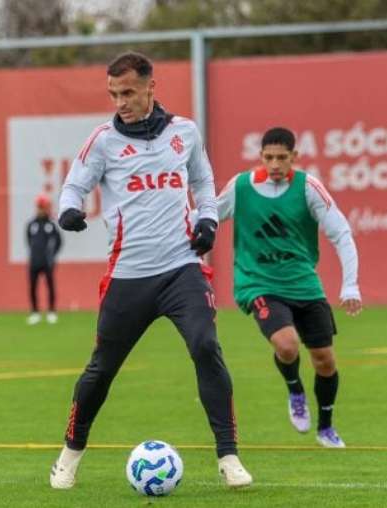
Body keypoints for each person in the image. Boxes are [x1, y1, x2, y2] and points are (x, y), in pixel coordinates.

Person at [50, 52, 252, 490]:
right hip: (129, 276)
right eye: (113, 94)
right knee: (102, 369)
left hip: (182, 268)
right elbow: (73, 186)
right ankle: (69, 453)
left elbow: (203, 182)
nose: (120, 102)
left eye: (128, 92)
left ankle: (229, 456)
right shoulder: (103, 141)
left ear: (150, 87)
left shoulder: (185, 132)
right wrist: (69, 211)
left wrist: (208, 220)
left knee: (205, 346)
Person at [216, 126, 362, 448]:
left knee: (324, 360)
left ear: (294, 156)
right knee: (286, 345)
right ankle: (295, 391)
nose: (275, 164)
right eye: (269, 157)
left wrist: (350, 285)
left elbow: (341, 233)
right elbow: (209, 216)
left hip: (303, 284)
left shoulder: (309, 188)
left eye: (282, 157)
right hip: (258, 283)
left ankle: (325, 428)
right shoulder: (241, 187)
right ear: (260, 157)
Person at [25, 194, 62, 325]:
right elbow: (28, 240)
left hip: (47, 262)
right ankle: (35, 312)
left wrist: (52, 255)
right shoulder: (31, 224)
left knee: (50, 286)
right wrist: (33, 254)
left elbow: (58, 241)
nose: (41, 210)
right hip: (34, 261)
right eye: (39, 207)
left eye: (43, 207)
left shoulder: (51, 225)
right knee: (32, 287)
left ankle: (51, 311)